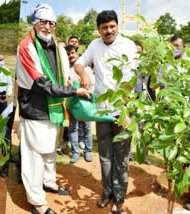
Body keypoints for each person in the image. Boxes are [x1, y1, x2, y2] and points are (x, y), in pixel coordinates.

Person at [16, 4, 91, 214]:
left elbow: (64, 75)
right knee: (34, 156)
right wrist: (73, 93)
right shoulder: (26, 46)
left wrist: (70, 83)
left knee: (50, 150)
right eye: (43, 22)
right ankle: (37, 201)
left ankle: (49, 182)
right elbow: (41, 83)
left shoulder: (58, 47)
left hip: (56, 107)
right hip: (35, 107)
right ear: (35, 22)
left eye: (51, 23)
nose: (47, 27)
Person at [74, 10, 137, 214]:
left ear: (117, 26)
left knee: (121, 156)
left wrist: (126, 110)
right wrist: (83, 72)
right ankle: (107, 192)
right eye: (104, 28)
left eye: (112, 26)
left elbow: (130, 81)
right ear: (98, 30)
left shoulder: (127, 45)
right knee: (105, 155)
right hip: (101, 110)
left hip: (122, 111)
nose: (108, 31)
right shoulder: (94, 45)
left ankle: (119, 198)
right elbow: (79, 62)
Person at [60, 45, 95, 164]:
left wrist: (87, 94)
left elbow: (92, 84)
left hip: (85, 103)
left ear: (77, 53)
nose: (70, 56)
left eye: (72, 53)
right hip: (72, 103)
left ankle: (87, 151)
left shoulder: (85, 69)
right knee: (73, 128)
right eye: (68, 54)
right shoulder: (65, 70)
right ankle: (75, 152)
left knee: (87, 128)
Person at [134, 41, 155, 164]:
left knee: (144, 129)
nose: (137, 53)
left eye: (139, 51)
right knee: (128, 128)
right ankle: (128, 154)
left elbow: (151, 87)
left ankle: (144, 156)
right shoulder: (126, 66)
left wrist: (153, 102)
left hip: (144, 102)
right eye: (134, 51)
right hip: (130, 101)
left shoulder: (147, 67)